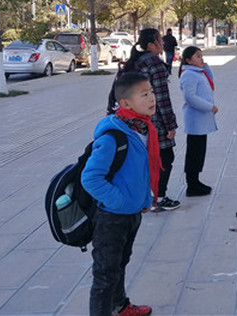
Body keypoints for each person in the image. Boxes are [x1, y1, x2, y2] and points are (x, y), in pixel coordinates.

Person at [82, 71, 156, 316]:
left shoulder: (142, 128)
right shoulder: (113, 136)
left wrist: (144, 199)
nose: (152, 98)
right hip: (111, 217)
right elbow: (91, 178)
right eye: (144, 94)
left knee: (120, 263)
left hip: (132, 212)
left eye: (151, 92)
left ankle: (120, 306)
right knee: (105, 275)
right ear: (125, 103)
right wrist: (120, 201)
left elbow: (139, 172)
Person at [123, 28, 180, 212]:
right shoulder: (154, 63)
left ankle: (144, 197)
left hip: (133, 120)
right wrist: (170, 125)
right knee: (165, 158)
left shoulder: (137, 61)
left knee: (144, 159)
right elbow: (161, 98)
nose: (163, 43)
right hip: (154, 122)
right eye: (159, 40)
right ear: (150, 45)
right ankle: (158, 198)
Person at [179, 46, 218, 196]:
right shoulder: (189, 74)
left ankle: (196, 181)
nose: (201, 59)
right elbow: (190, 97)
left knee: (199, 152)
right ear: (188, 60)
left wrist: (205, 66)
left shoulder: (197, 72)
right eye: (197, 56)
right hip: (195, 119)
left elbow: (211, 82)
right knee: (194, 153)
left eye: (201, 56)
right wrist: (209, 107)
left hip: (201, 119)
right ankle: (192, 184)